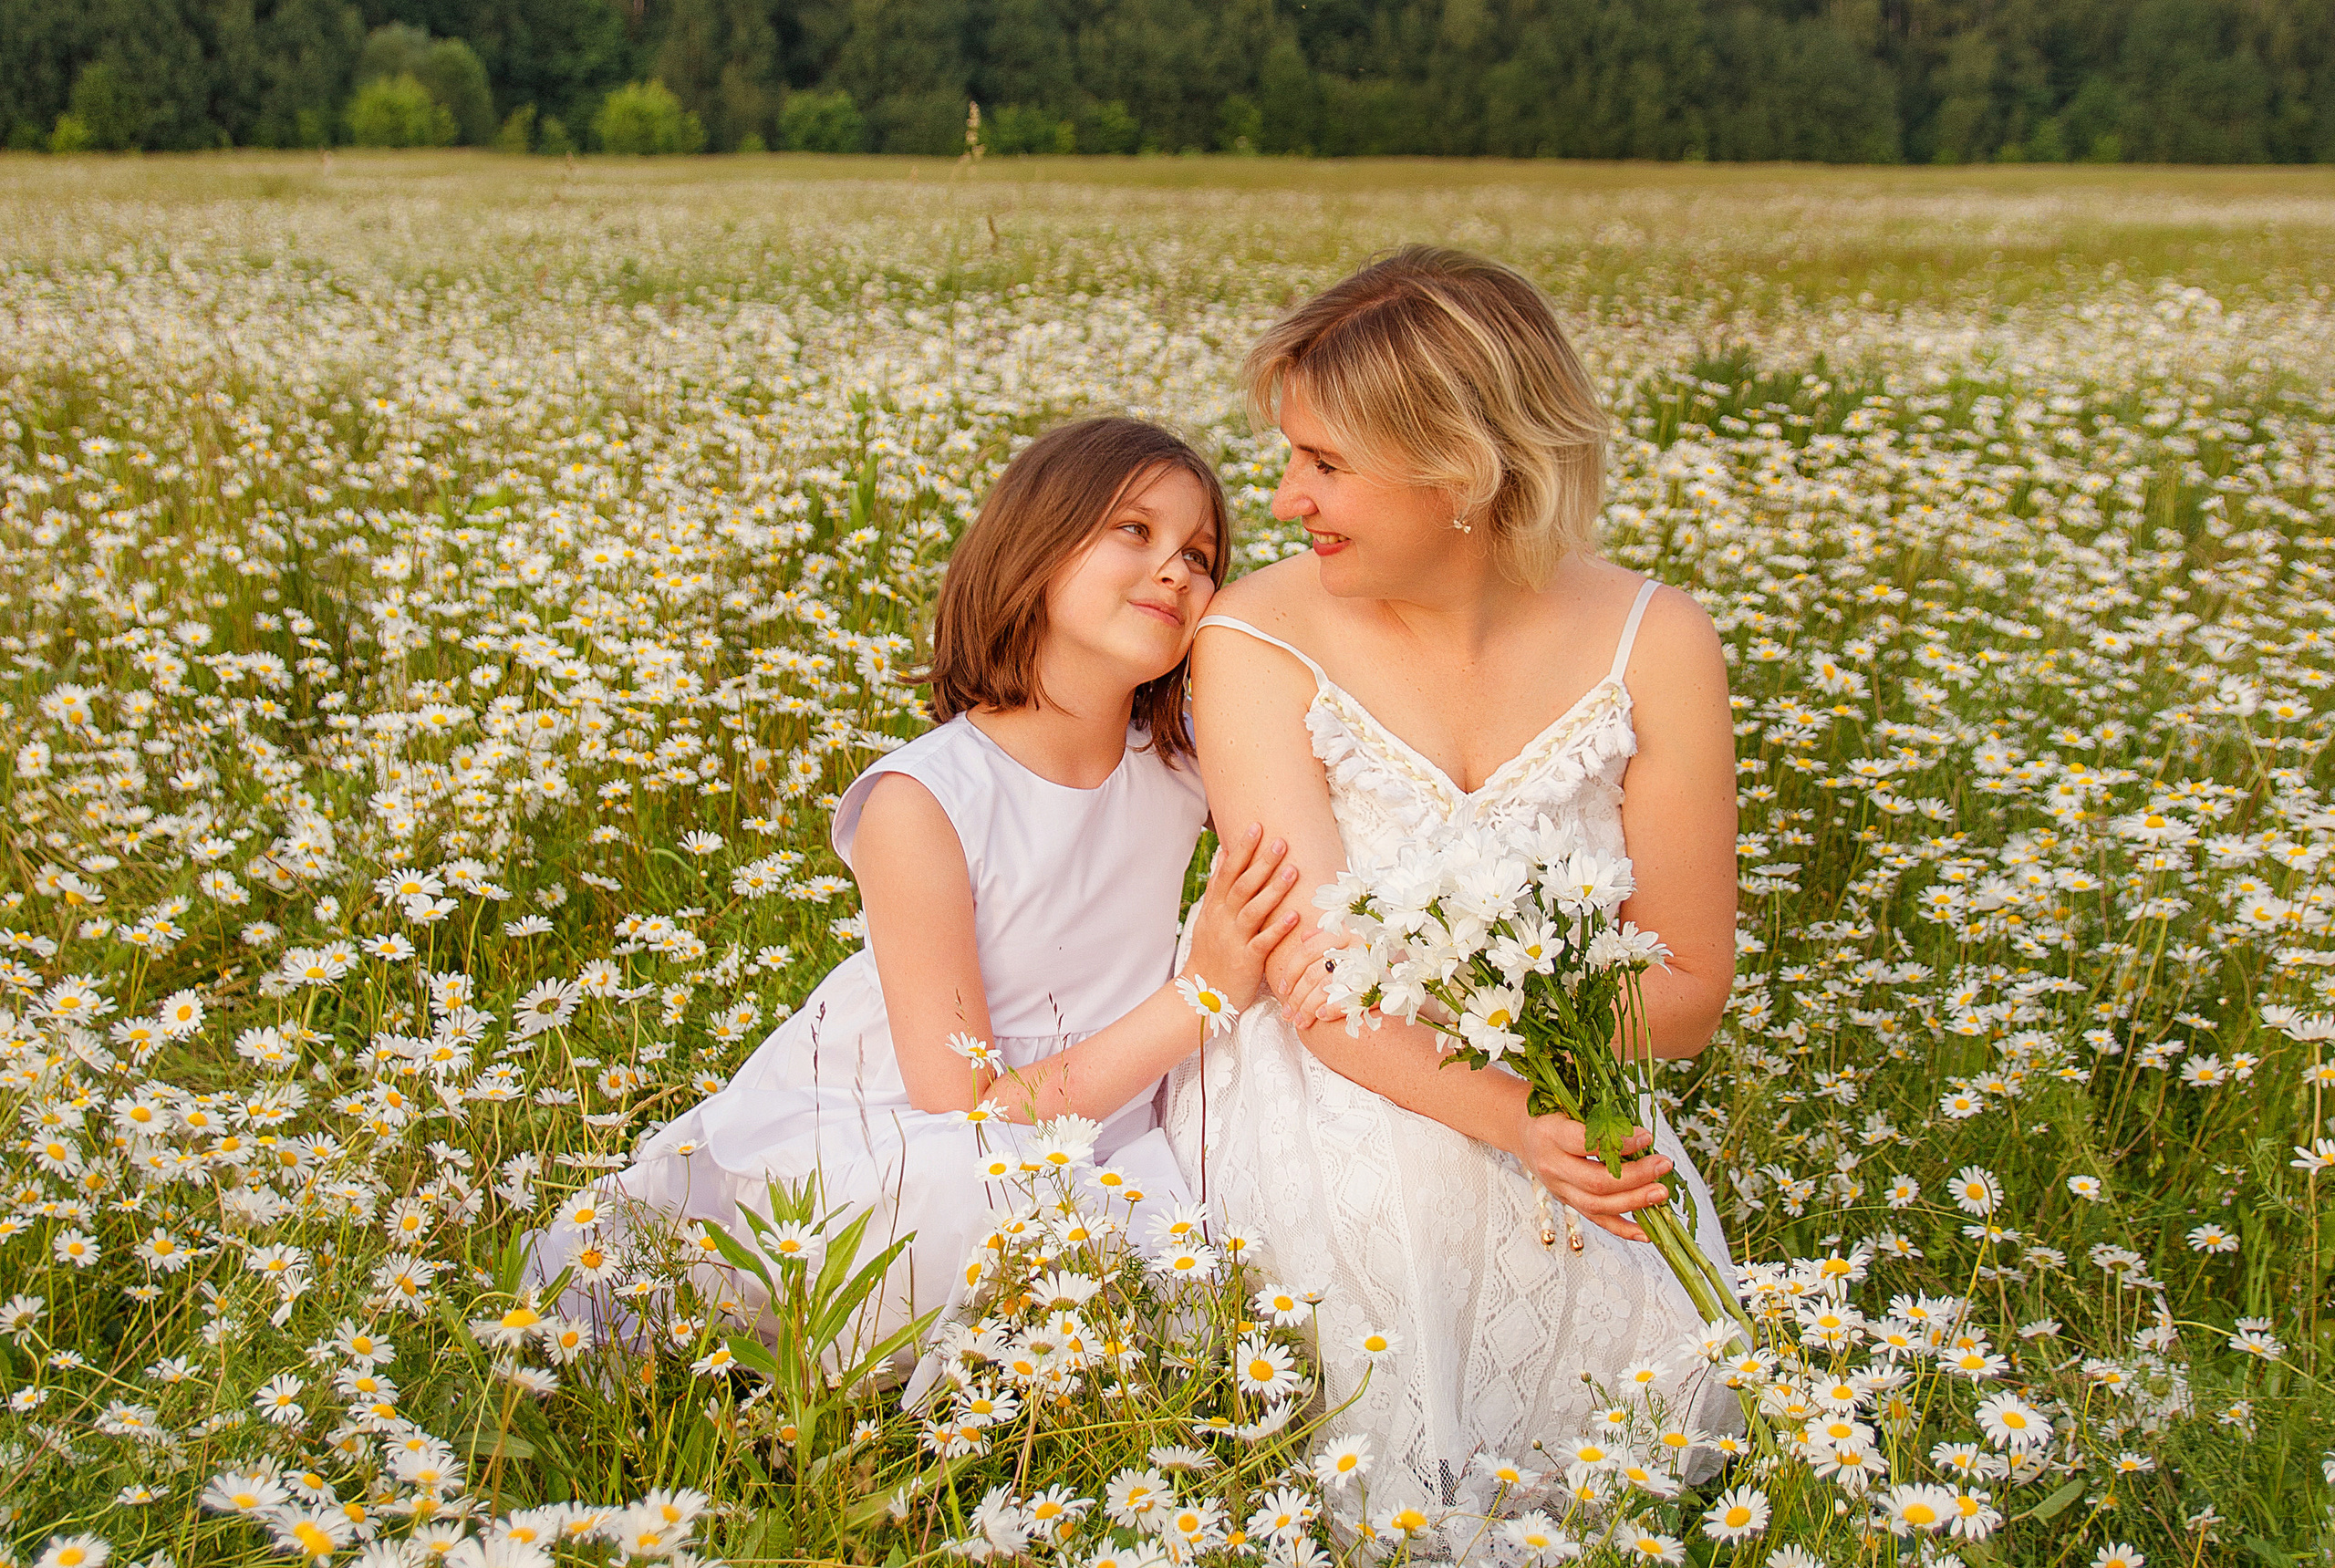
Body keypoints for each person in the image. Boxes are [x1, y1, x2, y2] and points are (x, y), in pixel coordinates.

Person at [1163, 248, 1744, 1509]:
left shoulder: (1662, 640)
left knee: (1650, 1329)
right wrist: (1508, 1118)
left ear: (1458, 467)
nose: (1281, 496)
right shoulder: (1254, 639)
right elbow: (1315, 979)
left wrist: (1559, 1081)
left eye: (1324, 462)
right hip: (1330, 1061)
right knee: (1410, 1212)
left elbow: (1691, 983)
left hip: (1576, 1069)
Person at [532, 417, 1300, 1368]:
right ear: (1034, 548)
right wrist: (1204, 996)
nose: (1178, 571)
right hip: (923, 1125)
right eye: (1135, 532)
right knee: (973, 1219)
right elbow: (962, 1102)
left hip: (1102, 1109)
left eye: (1201, 554)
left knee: (1196, 1269)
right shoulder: (924, 799)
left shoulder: (1184, 764)